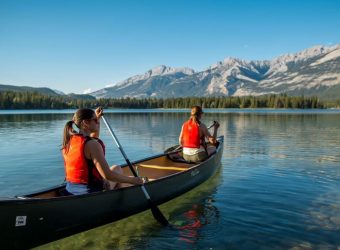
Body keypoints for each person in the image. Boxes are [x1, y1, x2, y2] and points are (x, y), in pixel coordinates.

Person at [61, 108, 143, 195]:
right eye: (95, 120)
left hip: (70, 189)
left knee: (117, 168)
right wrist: (133, 180)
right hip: (90, 191)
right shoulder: (92, 145)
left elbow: (93, 138)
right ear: (86, 123)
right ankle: (119, 198)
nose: (97, 122)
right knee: (118, 176)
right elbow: (107, 175)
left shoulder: (69, 141)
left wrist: (98, 118)